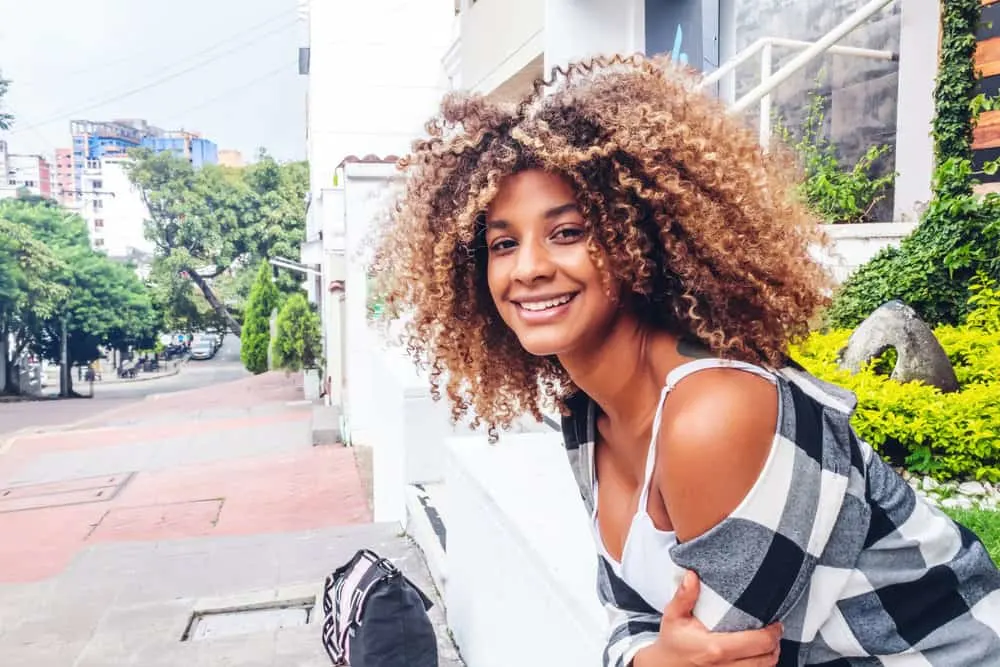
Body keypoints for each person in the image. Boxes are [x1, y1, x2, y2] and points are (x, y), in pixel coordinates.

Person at [371, 55, 1000, 666]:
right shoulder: (589, 411)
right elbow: (637, 627)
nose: (529, 267)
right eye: (503, 243)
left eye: (567, 232)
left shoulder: (713, 415)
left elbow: (729, 659)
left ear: (633, 235)